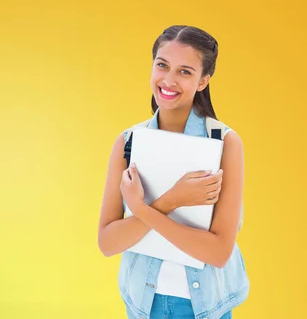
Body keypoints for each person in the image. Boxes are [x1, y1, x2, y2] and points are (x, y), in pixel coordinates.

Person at [97, 25, 249, 319]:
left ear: (203, 81)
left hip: (205, 308)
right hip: (143, 304)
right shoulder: (128, 142)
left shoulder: (224, 143)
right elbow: (107, 243)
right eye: (162, 65)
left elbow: (217, 253)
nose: (168, 80)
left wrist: (142, 209)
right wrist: (170, 200)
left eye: (185, 71)